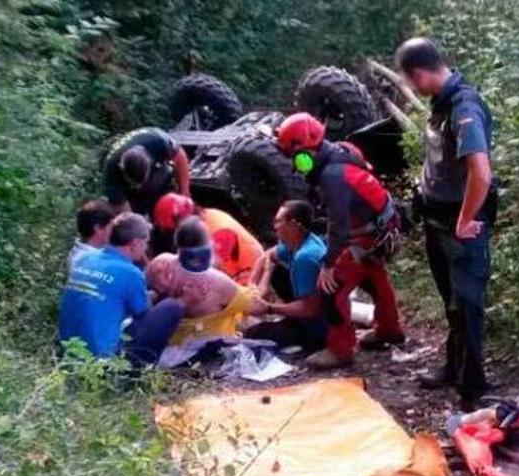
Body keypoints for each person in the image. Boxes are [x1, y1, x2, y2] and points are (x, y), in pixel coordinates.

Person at [396, 37, 498, 407]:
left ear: (419, 74)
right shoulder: (440, 105)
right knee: (451, 302)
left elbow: (481, 174)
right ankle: (454, 367)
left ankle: (473, 387)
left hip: (461, 223)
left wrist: (465, 219)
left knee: (468, 303)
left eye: (410, 81)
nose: (412, 88)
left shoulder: (464, 106)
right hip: (437, 217)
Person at [275, 113, 405, 369]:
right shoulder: (343, 149)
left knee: (330, 289)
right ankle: (389, 329)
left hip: (368, 233)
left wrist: (329, 262)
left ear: (305, 154)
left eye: (297, 159)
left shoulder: (332, 177)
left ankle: (340, 349)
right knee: (374, 276)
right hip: (385, 223)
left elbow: (340, 226)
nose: (298, 166)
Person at [58, 212, 191, 366]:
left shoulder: (85, 258)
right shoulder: (130, 273)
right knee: (172, 307)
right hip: (101, 360)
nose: (146, 248)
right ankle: (138, 373)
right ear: (135, 243)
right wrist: (175, 297)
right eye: (146, 242)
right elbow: (142, 312)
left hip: (67, 352)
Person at [146, 216, 272, 357]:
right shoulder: (217, 281)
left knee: (237, 311)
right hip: (203, 349)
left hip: (168, 344)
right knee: (248, 318)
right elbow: (258, 307)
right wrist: (266, 272)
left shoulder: (160, 264)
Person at [246, 200, 327, 353]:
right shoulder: (298, 242)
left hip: (317, 325)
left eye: (278, 222)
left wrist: (269, 308)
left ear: (294, 225)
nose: (275, 226)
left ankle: (306, 337)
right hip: (308, 308)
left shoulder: (305, 257)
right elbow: (267, 256)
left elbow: (311, 308)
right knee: (276, 270)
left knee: (254, 334)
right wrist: (253, 285)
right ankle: (291, 317)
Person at [152, 193, 264, 284]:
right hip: (231, 272)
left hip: (250, 277)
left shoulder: (219, 232)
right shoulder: (205, 216)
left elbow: (207, 273)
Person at [102, 127, 190, 217]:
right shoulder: (111, 173)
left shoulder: (158, 142)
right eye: (135, 184)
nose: (140, 187)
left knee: (162, 182)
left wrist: (184, 193)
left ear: (149, 160)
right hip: (127, 189)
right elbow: (123, 210)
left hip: (156, 171)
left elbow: (180, 157)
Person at [67, 199, 116, 273]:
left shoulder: (76, 252)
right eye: (110, 226)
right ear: (98, 228)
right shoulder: (94, 261)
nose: (113, 231)